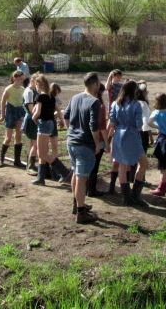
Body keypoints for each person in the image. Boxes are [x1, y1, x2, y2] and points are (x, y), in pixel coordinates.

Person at [63, 72, 102, 224]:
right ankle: (81, 212)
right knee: (81, 177)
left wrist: (70, 132)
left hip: (72, 142)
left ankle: (76, 203)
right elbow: (94, 126)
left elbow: (66, 115)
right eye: (98, 83)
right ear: (94, 84)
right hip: (84, 144)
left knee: (75, 173)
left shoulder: (75, 97)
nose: (99, 85)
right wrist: (97, 143)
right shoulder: (94, 102)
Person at [110, 80, 150, 206]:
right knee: (143, 163)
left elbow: (112, 121)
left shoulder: (115, 104)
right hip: (132, 135)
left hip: (119, 135)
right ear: (134, 90)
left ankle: (127, 197)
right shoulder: (136, 104)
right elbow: (139, 124)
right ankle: (135, 195)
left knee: (122, 166)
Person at [30, 75, 70, 185]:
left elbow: (37, 112)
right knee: (43, 152)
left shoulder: (40, 97)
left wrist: (33, 118)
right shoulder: (51, 97)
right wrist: (61, 121)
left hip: (43, 124)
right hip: (51, 124)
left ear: (38, 85)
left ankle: (64, 171)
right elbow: (58, 110)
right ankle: (40, 178)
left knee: (41, 153)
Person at [0, 70, 27, 168]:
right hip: (10, 111)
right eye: (21, 79)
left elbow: (25, 102)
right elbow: (3, 102)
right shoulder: (9, 89)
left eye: (23, 79)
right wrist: (3, 115)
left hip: (20, 111)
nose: (22, 81)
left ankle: (17, 161)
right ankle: (1, 159)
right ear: (15, 79)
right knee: (8, 138)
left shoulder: (23, 89)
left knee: (18, 135)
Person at [86, 84, 110, 197]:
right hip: (98, 139)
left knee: (87, 165)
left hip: (86, 138)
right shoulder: (100, 106)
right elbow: (102, 127)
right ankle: (91, 189)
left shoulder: (86, 102)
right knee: (94, 166)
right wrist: (107, 143)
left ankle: (85, 188)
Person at [22, 74, 40, 176]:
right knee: (35, 144)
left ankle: (29, 164)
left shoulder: (33, 91)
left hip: (32, 118)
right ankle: (31, 166)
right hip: (32, 118)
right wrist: (38, 116)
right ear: (32, 80)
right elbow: (31, 109)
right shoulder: (29, 92)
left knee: (32, 143)